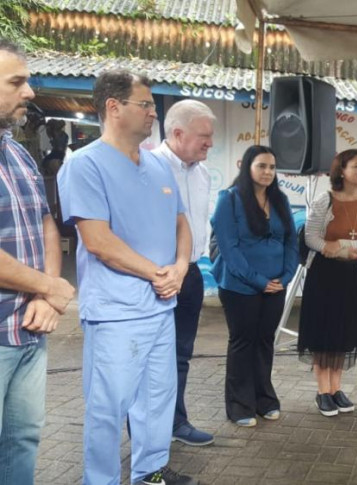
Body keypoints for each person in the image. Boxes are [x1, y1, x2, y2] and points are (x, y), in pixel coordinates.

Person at [58, 69, 196, 485]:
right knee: (108, 406)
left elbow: (181, 223)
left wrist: (182, 266)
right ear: (113, 108)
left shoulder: (157, 165)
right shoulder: (84, 165)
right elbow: (98, 240)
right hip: (116, 310)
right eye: (146, 104)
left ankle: (149, 472)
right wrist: (160, 273)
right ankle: (98, 480)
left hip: (160, 304)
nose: (154, 112)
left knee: (157, 398)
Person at [0, 38, 75, 485]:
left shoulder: (16, 150)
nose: (30, 91)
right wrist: (49, 286)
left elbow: (46, 222)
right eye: (17, 81)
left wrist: (47, 293)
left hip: (28, 328)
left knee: (23, 438)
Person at [211, 145, 299, 427]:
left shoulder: (281, 201)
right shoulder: (230, 200)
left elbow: (290, 242)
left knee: (264, 342)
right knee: (243, 342)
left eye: (272, 167)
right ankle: (239, 405)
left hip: (276, 285)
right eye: (261, 166)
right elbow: (229, 249)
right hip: (240, 285)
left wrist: (285, 277)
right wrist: (259, 282)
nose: (268, 172)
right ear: (247, 167)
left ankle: (264, 400)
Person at [151, 99, 216, 444]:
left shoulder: (202, 172)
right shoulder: (149, 167)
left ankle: (175, 423)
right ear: (177, 133)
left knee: (181, 355)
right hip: (157, 277)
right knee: (153, 361)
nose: (210, 143)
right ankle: (150, 436)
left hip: (190, 273)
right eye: (203, 136)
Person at [299, 149, 357, 416]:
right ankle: (323, 391)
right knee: (324, 331)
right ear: (341, 171)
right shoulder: (325, 200)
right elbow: (311, 237)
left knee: (344, 332)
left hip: (354, 276)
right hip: (324, 276)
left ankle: (336, 388)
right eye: (356, 166)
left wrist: (341, 246)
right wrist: (331, 248)